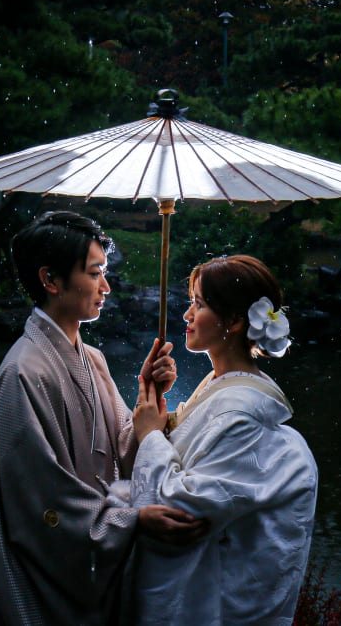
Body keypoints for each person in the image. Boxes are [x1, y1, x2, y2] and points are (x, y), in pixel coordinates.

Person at [0, 210, 207, 626]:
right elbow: (43, 505)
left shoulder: (91, 359)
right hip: (43, 581)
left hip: (86, 574)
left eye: (104, 272)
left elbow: (120, 450)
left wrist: (149, 392)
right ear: (50, 280)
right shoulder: (24, 371)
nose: (106, 287)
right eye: (95, 273)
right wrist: (131, 521)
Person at [127, 254, 319, 625]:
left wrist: (151, 435)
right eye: (191, 303)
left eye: (198, 304)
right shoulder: (220, 385)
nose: (186, 315)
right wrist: (155, 401)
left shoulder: (240, 412)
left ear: (233, 321)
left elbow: (178, 507)